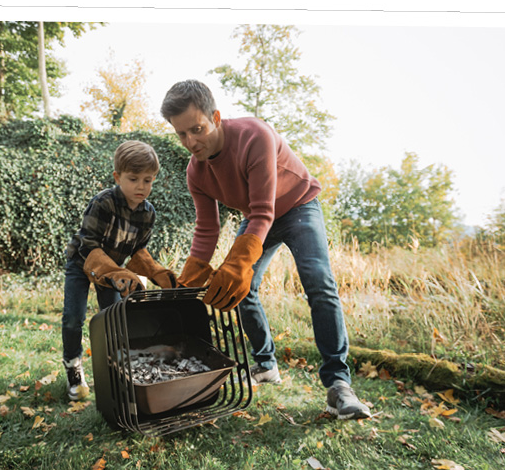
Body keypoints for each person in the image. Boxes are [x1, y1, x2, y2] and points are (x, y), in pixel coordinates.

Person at [160, 80, 370, 420]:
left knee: (318, 280)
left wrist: (236, 261)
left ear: (215, 116)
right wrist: (192, 274)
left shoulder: (254, 135)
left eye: (197, 129)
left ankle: (338, 384)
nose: (191, 142)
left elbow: (263, 210)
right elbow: (207, 229)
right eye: (181, 135)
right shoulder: (195, 172)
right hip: (259, 218)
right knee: (242, 290)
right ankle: (266, 363)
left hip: (298, 205)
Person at [61, 140, 178, 401]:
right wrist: (113, 272)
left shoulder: (148, 214)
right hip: (82, 263)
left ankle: (114, 371)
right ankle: (73, 367)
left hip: (114, 271)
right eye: (133, 179)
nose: (141, 186)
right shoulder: (103, 203)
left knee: (112, 320)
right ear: (117, 177)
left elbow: (138, 251)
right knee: (73, 318)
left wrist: (153, 271)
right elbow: (89, 244)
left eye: (148, 180)